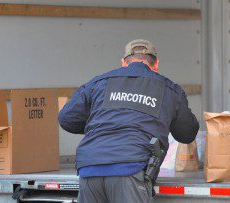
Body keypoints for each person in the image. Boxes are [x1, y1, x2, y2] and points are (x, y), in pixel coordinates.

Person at [58, 39, 199, 203]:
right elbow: (187, 133)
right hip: (130, 168)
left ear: (124, 62)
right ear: (156, 64)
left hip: (90, 169)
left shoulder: (98, 83)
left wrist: (100, 123)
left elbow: (66, 118)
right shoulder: (168, 89)